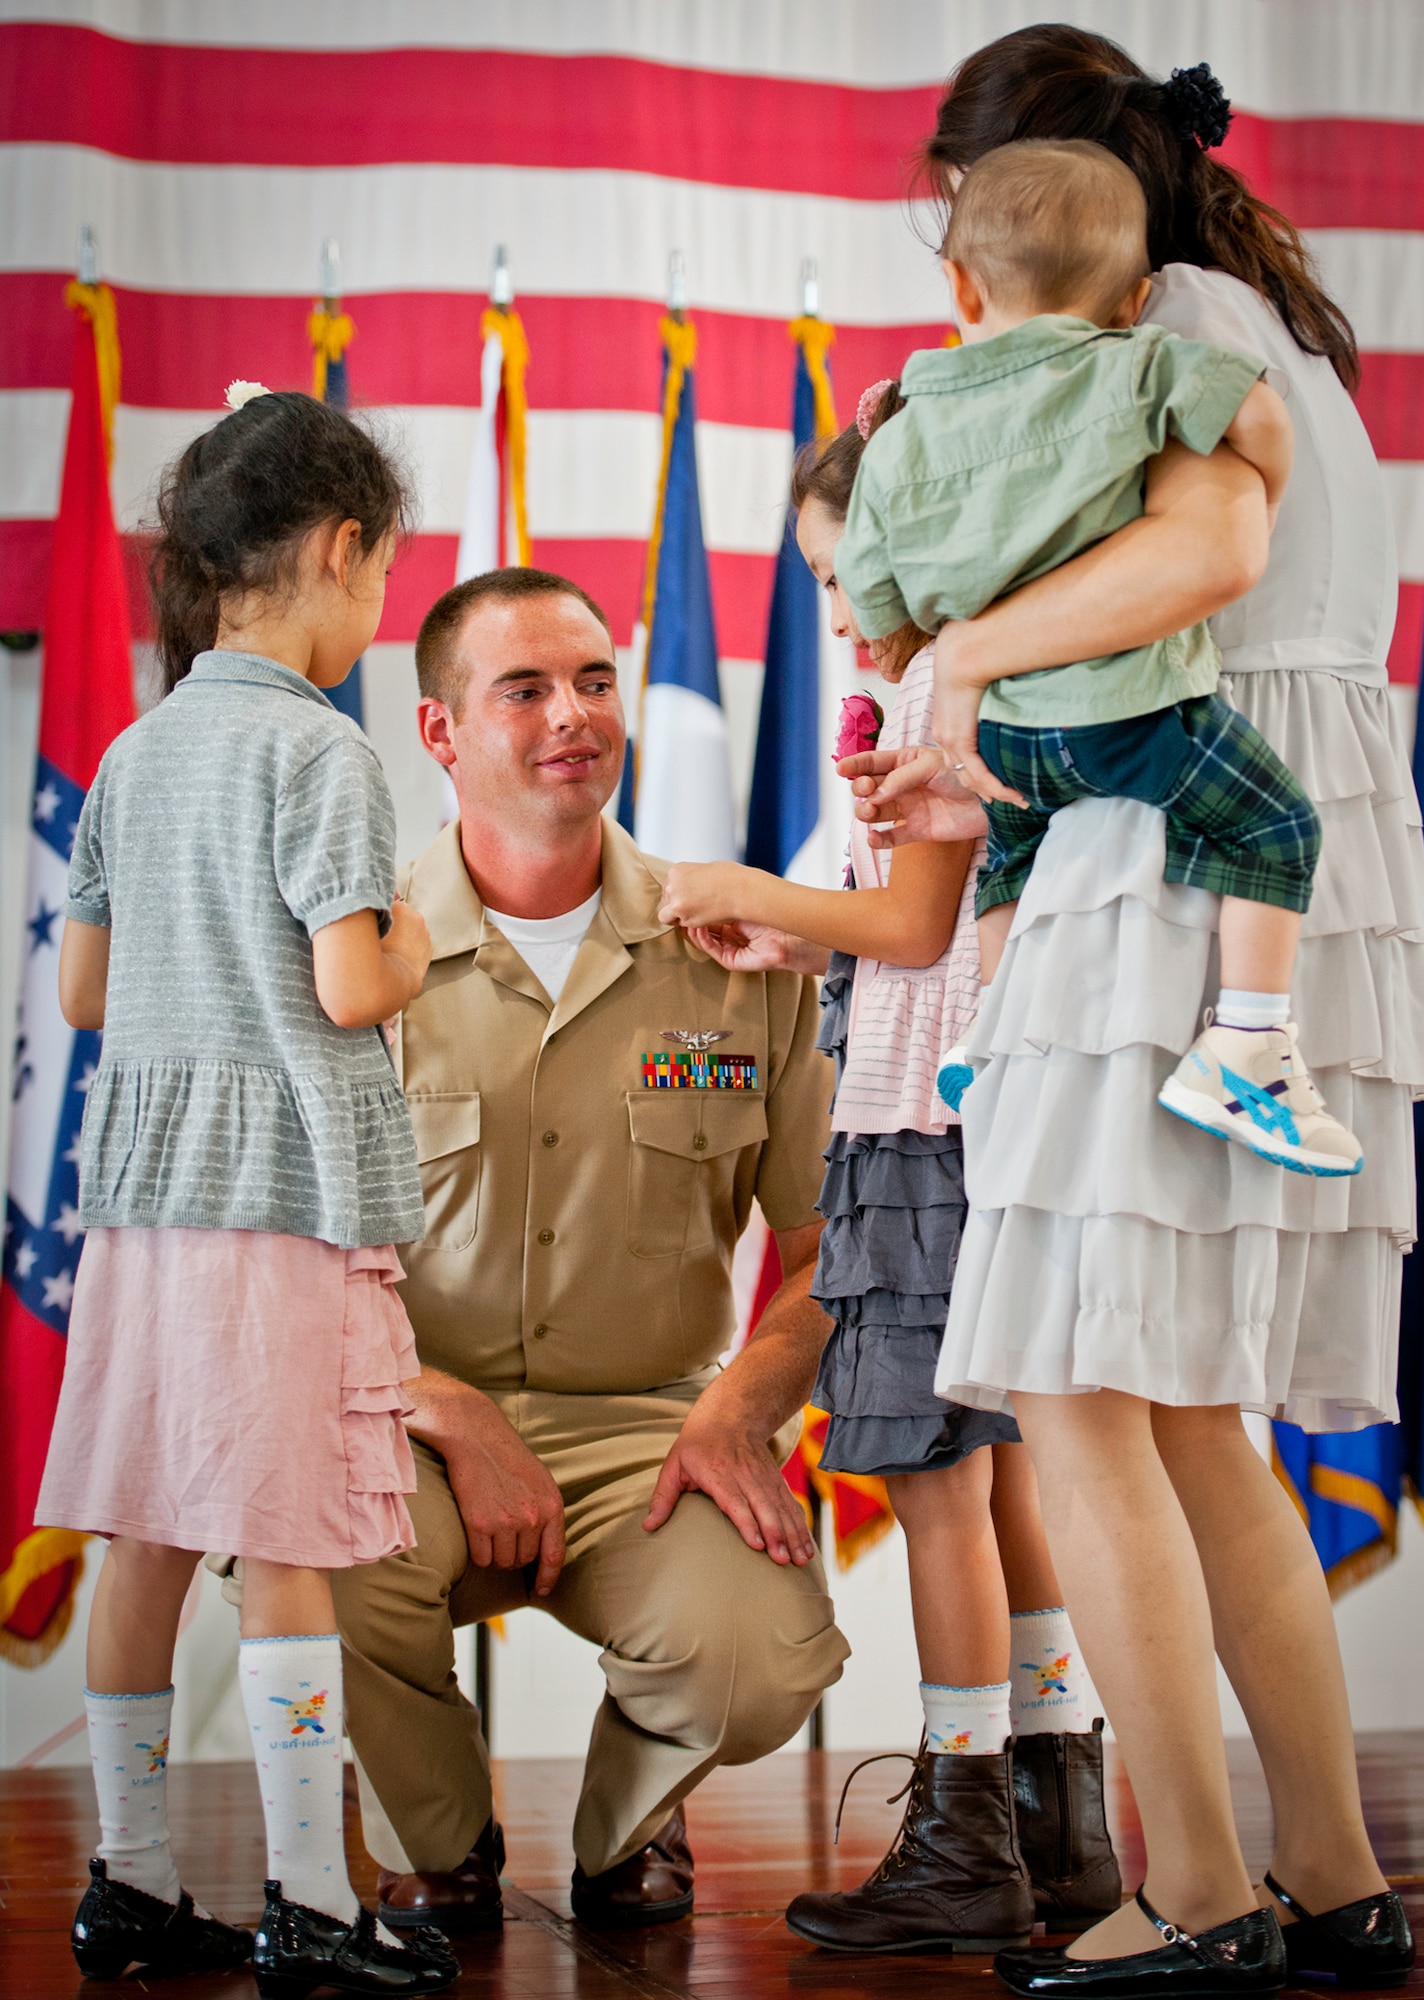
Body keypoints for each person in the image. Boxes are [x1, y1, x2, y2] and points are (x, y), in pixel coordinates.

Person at [845, 29, 1424, 1996]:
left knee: (1085, 1398)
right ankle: (1334, 1873)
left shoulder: (1159, 326)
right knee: (1196, 1416)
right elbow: (1201, 665)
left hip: (1183, 891)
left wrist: (950, 665)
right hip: (1268, 850)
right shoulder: (1254, 316)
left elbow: (1209, 557)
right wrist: (985, 756)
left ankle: (1190, 1886)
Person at [658, 384, 1118, 1952]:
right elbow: (884, 914)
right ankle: (1062, 1816)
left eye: (841, 572)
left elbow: (913, 933)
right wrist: (781, 925)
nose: (831, 607)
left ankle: (963, 1830)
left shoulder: (942, 691)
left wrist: (732, 886)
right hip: (970, 1121)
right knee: (1002, 1484)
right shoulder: (964, 684)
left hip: (927, 1136)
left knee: (935, 1491)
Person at [328, 566, 850, 1938]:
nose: (573, 715)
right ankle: (434, 1846)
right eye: (524, 689)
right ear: (439, 733)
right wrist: (444, 1411)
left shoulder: (739, 949)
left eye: (594, 680)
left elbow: (819, 1253)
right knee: (311, 1553)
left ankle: (626, 1835)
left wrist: (740, 1414)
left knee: (763, 1660)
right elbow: (282, 1273)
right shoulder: (354, 957)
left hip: (646, 1429)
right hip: (402, 1421)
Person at [37, 386, 456, 1996]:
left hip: (143, 1210)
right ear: (340, 554)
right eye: (382, 578)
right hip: (277, 1191)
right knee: (284, 1543)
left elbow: (84, 996)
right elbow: (353, 987)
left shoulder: (136, 755)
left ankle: (130, 1882)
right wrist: (414, 933)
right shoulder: (319, 750)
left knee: (144, 1538)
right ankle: (310, 1906)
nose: (377, 612)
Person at [836, 139, 1357, 1183]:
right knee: (1272, 823)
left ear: (958, 282)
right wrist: (1267, 474)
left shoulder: (897, 430)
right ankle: (1247, 1046)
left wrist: (915, 639)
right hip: (1127, 712)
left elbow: (871, 602)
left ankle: (984, 1040)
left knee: (1014, 858)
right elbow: (1259, 418)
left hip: (1000, 741)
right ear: (1136, 295)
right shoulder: (1144, 363)